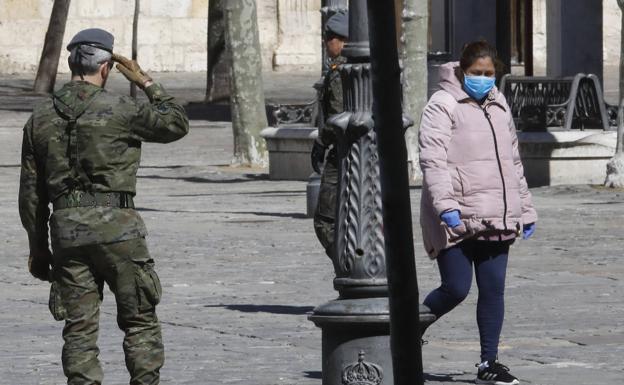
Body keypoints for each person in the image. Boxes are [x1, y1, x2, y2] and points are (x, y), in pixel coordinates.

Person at [19, 28, 189, 384]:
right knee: (139, 319)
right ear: (107, 67)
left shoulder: (39, 119)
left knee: (79, 328)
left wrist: (38, 248)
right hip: (119, 230)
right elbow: (176, 123)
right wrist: (145, 81)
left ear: (70, 63)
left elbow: (31, 195)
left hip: (67, 233)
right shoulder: (121, 109)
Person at [418, 40, 537, 385]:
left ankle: (489, 362)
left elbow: (513, 162)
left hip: (496, 215)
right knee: (456, 288)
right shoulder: (442, 104)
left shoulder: (499, 104)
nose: (483, 79)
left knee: (493, 289)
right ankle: (406, 329)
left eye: (489, 73)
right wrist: (445, 207)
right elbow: (433, 159)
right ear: (462, 71)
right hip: (455, 215)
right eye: (476, 73)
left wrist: (525, 209)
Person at [311, 11, 348, 259]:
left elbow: (337, 117)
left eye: (329, 38)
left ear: (342, 40)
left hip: (342, 151)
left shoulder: (340, 72)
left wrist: (321, 143)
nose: (326, 44)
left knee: (325, 220)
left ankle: (346, 265)